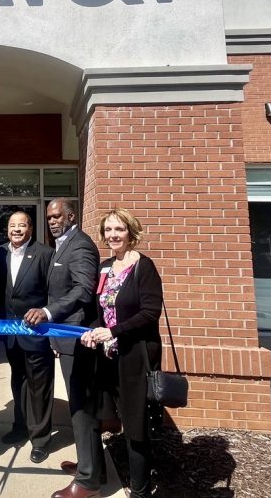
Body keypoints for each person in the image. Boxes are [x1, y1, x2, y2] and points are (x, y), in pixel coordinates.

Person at [80, 208, 163, 498]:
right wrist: (92, 331)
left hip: (134, 356)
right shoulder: (104, 267)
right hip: (107, 356)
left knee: (135, 425)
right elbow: (98, 311)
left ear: (131, 233)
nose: (113, 235)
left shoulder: (143, 266)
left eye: (119, 229)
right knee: (98, 414)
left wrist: (114, 332)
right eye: (108, 230)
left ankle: (140, 489)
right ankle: (95, 471)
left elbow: (151, 312)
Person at [24, 198, 103, 498]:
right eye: (49, 218)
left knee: (82, 409)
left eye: (58, 216)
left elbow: (83, 290)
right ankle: (91, 466)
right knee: (78, 406)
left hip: (78, 340)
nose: (53, 221)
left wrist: (48, 312)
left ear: (71, 216)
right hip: (65, 339)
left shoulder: (80, 245)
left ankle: (87, 482)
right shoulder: (62, 244)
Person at [0, 210, 54, 463]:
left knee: (38, 386)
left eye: (21, 225)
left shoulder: (44, 254)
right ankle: (20, 427)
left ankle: (40, 438)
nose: (16, 230)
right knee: (17, 382)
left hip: (37, 334)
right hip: (10, 334)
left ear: (30, 228)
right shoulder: (0, 253)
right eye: (12, 225)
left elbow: (53, 294)